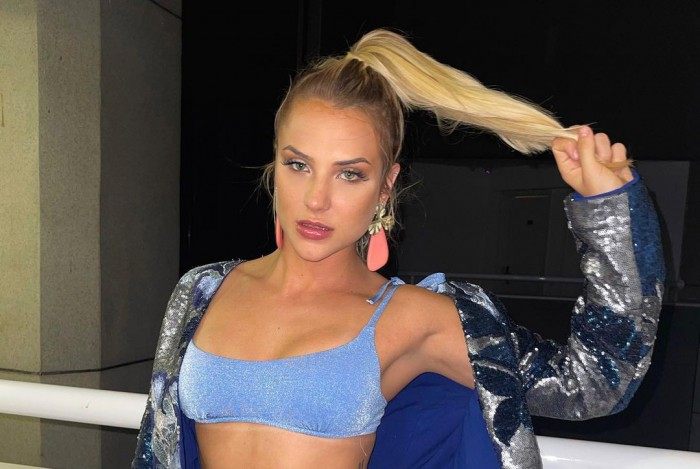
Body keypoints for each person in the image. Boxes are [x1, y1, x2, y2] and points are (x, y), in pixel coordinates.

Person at [131, 28, 665, 469]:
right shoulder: (203, 291)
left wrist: (610, 213)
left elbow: (593, 380)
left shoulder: (410, 318)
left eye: (350, 174)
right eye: (299, 165)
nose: (316, 199)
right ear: (275, 166)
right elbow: (159, 448)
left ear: (385, 188)